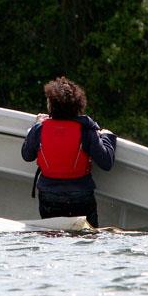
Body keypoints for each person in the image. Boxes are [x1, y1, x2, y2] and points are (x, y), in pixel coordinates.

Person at [21, 76, 117, 227]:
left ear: (51, 106)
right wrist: (108, 137)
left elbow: (27, 155)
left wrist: (35, 126)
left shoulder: (40, 129)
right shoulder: (86, 130)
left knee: (53, 238)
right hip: (81, 197)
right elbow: (106, 162)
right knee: (86, 240)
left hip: (49, 197)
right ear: (78, 105)